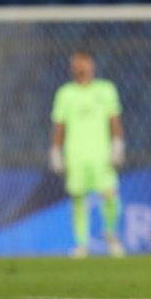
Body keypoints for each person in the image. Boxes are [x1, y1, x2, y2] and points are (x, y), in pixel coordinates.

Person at [49, 50, 126, 258]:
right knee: (78, 199)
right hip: (76, 154)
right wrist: (56, 151)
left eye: (84, 63)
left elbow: (114, 120)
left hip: (101, 154)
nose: (80, 67)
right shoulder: (65, 93)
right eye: (76, 64)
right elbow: (59, 125)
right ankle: (81, 244)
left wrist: (117, 144)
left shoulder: (106, 90)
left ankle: (111, 234)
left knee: (110, 194)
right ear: (72, 67)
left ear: (92, 65)